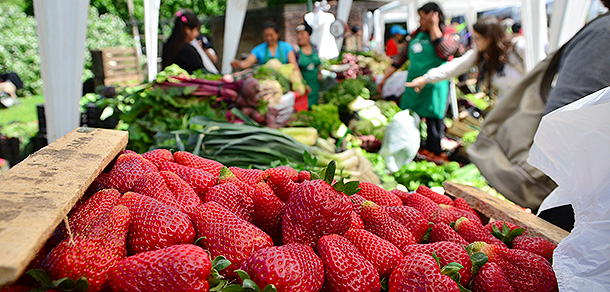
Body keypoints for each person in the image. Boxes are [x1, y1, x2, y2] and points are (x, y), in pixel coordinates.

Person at [377, 2, 459, 156]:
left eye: (422, 17)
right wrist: (384, 79)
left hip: (434, 87)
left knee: (433, 125)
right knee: (409, 121)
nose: (420, 21)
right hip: (413, 85)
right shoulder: (415, 35)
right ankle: (411, 152)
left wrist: (434, 27)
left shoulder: (448, 33)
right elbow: (399, 60)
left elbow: (445, 52)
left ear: (434, 15)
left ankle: (433, 154)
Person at [406, 16, 526, 101]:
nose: (474, 42)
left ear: (490, 38)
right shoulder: (480, 53)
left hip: (530, 107)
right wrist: (426, 78)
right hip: (509, 110)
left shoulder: (517, 47)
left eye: (478, 38)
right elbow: (456, 66)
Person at [231, 21, 300, 71]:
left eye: (271, 35)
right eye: (266, 35)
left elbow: (294, 66)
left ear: (277, 34)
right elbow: (247, 63)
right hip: (267, 83)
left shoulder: (286, 47)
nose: (268, 38)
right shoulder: (259, 49)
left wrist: (301, 82)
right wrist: (238, 64)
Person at [161, 9, 209, 74]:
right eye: (197, 30)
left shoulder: (167, 46)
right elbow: (201, 72)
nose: (198, 34)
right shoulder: (188, 51)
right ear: (188, 30)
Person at [295, 22, 322, 108]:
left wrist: (320, 73)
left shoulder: (315, 47)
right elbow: (294, 69)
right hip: (303, 88)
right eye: (298, 34)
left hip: (315, 85)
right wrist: (302, 84)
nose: (299, 37)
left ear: (309, 35)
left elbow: (318, 62)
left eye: (302, 34)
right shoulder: (296, 51)